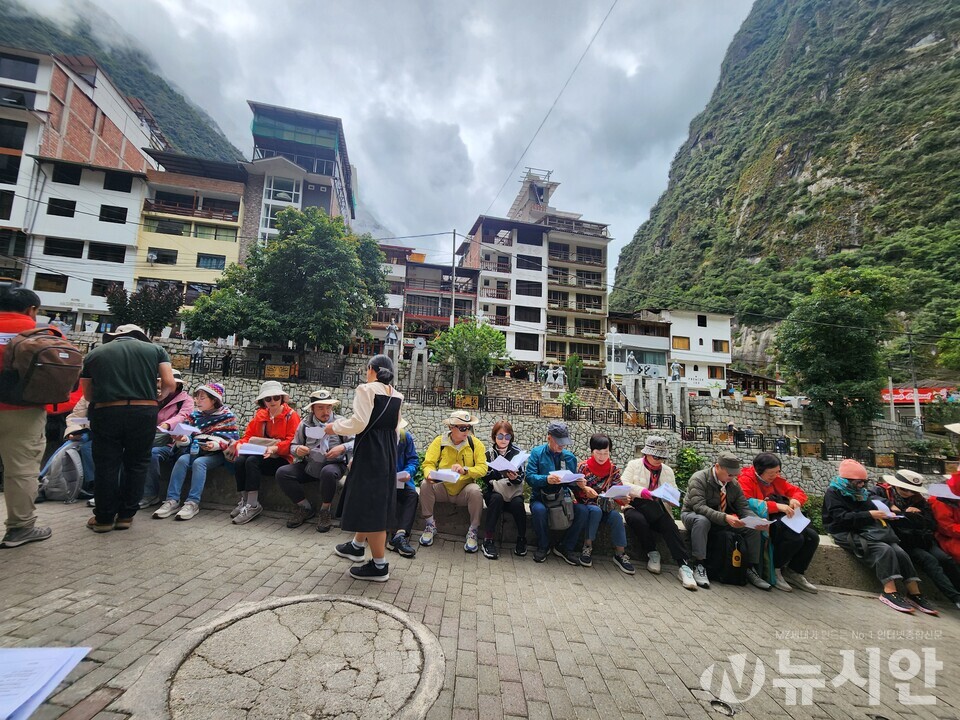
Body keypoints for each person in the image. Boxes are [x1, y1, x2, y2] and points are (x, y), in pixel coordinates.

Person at [80, 324, 175, 532]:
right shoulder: (156, 350)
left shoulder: (95, 354)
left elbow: (88, 394)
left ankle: (104, 518)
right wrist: (158, 397)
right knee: (138, 463)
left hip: (107, 411)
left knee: (106, 464)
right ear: (140, 336)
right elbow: (169, 382)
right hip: (144, 411)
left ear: (115, 336)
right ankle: (125, 516)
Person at [823, 459, 937, 614]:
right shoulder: (833, 492)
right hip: (844, 531)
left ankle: (915, 593)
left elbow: (872, 508)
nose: (862, 485)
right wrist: (869, 514)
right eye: (859, 482)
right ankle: (889, 591)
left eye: (864, 482)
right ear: (846, 480)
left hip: (867, 530)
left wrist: (888, 514)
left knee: (899, 551)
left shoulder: (861, 493)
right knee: (883, 549)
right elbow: (840, 518)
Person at [328, 354, 405, 582]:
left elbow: (359, 422)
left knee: (371, 505)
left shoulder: (366, 389)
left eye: (366, 370)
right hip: (386, 452)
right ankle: (357, 545)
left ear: (372, 370)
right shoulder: (397, 395)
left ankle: (379, 565)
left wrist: (334, 427)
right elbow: (396, 430)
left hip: (370, 450)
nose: (365, 374)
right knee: (372, 500)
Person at [0, 287, 53, 547]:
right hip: (23, 411)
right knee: (21, 472)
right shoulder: (43, 334)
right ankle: (20, 528)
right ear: (32, 310)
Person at [681, 452, 770, 590]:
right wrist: (725, 517)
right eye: (730, 474)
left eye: (735, 475)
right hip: (693, 515)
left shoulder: (733, 484)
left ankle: (749, 568)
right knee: (702, 521)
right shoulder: (699, 478)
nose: (732, 478)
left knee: (752, 528)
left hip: (722, 519)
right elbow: (699, 507)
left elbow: (743, 507)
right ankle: (699, 563)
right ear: (718, 467)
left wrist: (757, 521)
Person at [874, 470, 960, 610]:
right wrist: (893, 508)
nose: (908, 493)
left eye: (912, 491)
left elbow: (931, 523)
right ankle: (955, 598)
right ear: (895, 485)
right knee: (930, 561)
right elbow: (871, 498)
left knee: (945, 559)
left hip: (923, 539)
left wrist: (916, 516)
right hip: (904, 541)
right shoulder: (883, 493)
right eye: (904, 489)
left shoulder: (919, 501)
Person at [621, 436, 698, 590]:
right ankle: (652, 552)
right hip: (635, 506)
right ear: (646, 454)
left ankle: (683, 565)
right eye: (656, 456)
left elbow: (673, 491)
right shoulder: (634, 465)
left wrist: (671, 498)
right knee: (638, 520)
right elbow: (624, 483)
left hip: (657, 510)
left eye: (662, 457)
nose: (659, 460)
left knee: (669, 525)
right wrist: (643, 491)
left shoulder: (667, 471)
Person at [152, 383, 238, 521]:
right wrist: (182, 438)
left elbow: (230, 441)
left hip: (216, 455)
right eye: (197, 397)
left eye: (202, 398)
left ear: (214, 400)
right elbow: (188, 437)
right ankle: (172, 501)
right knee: (182, 460)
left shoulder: (227, 416)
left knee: (199, 463)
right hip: (195, 450)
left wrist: (215, 445)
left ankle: (192, 502)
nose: (197, 401)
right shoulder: (194, 416)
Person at [738, 453, 819, 593]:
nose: (775, 476)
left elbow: (797, 491)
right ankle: (775, 569)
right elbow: (746, 502)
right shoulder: (746, 479)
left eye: (777, 472)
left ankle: (795, 571)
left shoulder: (775, 479)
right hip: (762, 518)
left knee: (812, 537)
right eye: (771, 473)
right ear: (759, 470)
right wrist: (776, 506)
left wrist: (796, 500)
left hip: (782, 517)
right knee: (795, 538)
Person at [275, 390, 353, 532]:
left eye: (328, 407)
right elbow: (293, 445)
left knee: (328, 472)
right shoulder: (305, 424)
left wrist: (342, 447)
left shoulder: (341, 423)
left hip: (334, 464)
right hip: (310, 464)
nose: (326, 412)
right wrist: (298, 449)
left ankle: (325, 510)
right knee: (282, 473)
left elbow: (355, 443)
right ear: (313, 409)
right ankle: (304, 507)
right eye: (321, 408)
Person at [228, 381, 300, 525]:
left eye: (276, 398)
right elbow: (248, 436)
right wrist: (238, 444)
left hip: (281, 457)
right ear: (263, 401)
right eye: (268, 399)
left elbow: (292, 441)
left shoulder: (291, 416)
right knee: (239, 460)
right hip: (261, 454)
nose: (272, 401)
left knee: (251, 461)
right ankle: (246, 500)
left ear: (282, 399)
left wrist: (275, 448)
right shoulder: (260, 416)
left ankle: (253, 505)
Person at [418, 410, 488, 553]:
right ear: (451, 427)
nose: (466, 431)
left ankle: (473, 530)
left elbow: (483, 468)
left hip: (464, 489)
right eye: (462, 428)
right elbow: (428, 463)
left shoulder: (476, 444)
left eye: (469, 428)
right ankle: (430, 525)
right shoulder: (439, 441)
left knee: (476, 491)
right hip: (443, 486)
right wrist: (429, 474)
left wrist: (466, 470)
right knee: (425, 485)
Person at [526, 421, 589, 565]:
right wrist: (546, 479)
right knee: (539, 510)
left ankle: (566, 547)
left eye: (564, 442)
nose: (562, 445)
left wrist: (579, 484)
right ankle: (543, 545)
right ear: (549, 438)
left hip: (562, 498)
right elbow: (529, 478)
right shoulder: (537, 453)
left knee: (583, 511)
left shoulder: (569, 457)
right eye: (558, 442)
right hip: (540, 497)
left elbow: (571, 482)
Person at [573, 434, 634, 573]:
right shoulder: (583, 467)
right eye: (598, 453)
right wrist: (584, 489)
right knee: (595, 511)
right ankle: (587, 546)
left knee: (617, 517)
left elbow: (618, 489)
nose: (602, 456)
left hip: (606, 505)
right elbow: (576, 490)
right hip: (588, 506)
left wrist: (623, 499)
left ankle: (620, 553)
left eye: (605, 453)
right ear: (592, 451)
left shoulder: (613, 469)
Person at [140, 369, 195, 507]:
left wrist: (167, 425)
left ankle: (150, 494)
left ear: (176, 385)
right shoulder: (154, 398)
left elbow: (183, 416)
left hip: (172, 442)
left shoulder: (185, 400)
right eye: (160, 382)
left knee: (152, 454)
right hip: (151, 436)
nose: (162, 385)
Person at [479, 420, 527, 560]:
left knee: (518, 503)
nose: (503, 440)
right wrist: (499, 474)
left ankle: (521, 539)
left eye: (507, 437)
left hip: (512, 491)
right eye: (500, 436)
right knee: (496, 498)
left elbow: (522, 477)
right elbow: (484, 477)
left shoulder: (517, 453)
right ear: (494, 437)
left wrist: (514, 477)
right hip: (494, 493)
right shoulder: (488, 454)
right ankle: (488, 540)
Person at [387, 430, 420, 559]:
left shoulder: (404, 437)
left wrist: (408, 472)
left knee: (412, 495)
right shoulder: (375, 436)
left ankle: (400, 535)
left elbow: (413, 460)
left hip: (399, 481)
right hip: (379, 483)